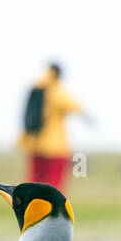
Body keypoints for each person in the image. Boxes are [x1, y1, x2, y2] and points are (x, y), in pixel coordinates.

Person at [18, 62, 83, 190]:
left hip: (35, 143)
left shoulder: (37, 87)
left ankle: (33, 208)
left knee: (34, 182)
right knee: (54, 184)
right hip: (56, 146)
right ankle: (53, 210)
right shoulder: (58, 91)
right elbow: (76, 107)